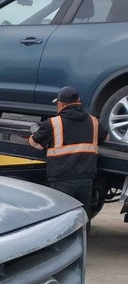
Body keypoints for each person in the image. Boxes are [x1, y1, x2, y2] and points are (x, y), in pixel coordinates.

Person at [28, 86, 109, 217]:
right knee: (82, 217)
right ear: (78, 102)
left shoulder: (53, 123)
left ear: (60, 104)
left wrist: (35, 132)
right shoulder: (94, 122)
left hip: (61, 179)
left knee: (61, 218)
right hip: (86, 179)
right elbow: (106, 137)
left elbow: (34, 143)